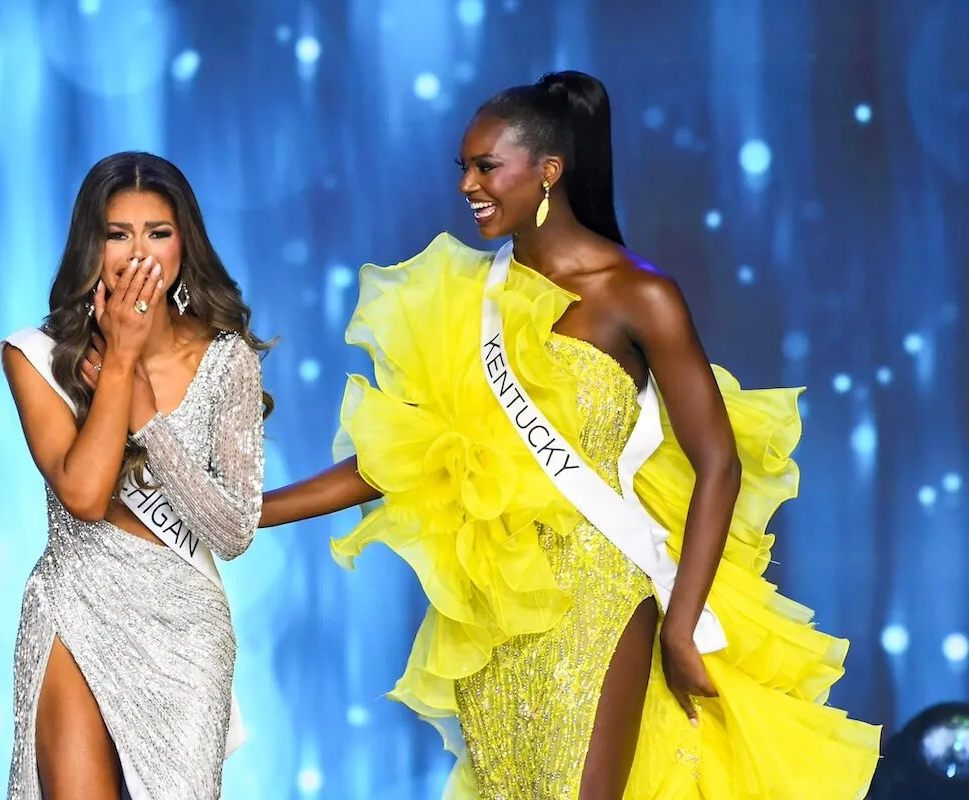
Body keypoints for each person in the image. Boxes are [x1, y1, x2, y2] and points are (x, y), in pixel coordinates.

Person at [260, 72, 879, 798]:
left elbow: (719, 465)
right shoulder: (465, 300)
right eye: (462, 166)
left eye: (485, 165)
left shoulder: (637, 294)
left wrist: (680, 628)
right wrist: (254, 509)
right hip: (497, 618)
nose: (466, 184)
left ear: (548, 170)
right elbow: (399, 459)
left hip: (604, 596)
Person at [1, 151, 268, 800]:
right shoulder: (35, 355)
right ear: (91, 244)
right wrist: (120, 359)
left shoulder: (226, 356)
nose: (138, 253)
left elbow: (233, 531)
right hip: (76, 600)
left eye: (158, 232)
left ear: (185, 245)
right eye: (118, 234)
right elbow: (87, 496)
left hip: (186, 628)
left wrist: (148, 419)